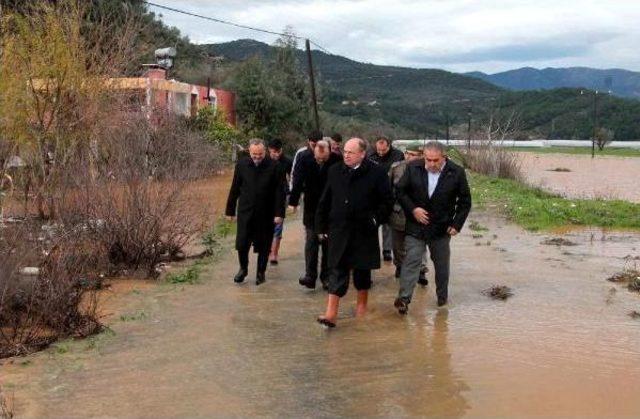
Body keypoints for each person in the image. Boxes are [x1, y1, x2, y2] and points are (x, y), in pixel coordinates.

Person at [316, 138, 393, 327]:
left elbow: (387, 202)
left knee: (362, 273)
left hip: (364, 231)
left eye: (351, 152)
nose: (346, 155)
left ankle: (361, 310)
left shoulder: (377, 172)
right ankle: (330, 314)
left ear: (362, 154)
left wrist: (375, 220)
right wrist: (320, 227)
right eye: (345, 152)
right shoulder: (334, 171)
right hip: (339, 229)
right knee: (337, 270)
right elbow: (325, 200)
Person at [394, 141, 471, 313]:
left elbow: (465, 202)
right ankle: (404, 299)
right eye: (428, 160)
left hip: (441, 228)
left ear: (444, 157)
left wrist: (456, 224)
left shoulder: (456, 172)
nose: (431, 164)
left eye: (436, 160)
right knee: (411, 261)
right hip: (416, 226)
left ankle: (442, 300)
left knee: (441, 265)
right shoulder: (413, 167)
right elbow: (400, 191)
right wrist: (413, 209)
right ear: (424, 157)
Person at [225, 139, 287, 286]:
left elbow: (280, 192)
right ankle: (243, 269)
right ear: (249, 151)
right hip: (246, 210)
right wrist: (230, 211)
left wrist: (279, 213)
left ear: (265, 152)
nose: (257, 157)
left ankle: (261, 273)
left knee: (264, 245)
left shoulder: (275, 166)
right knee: (242, 242)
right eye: (254, 154)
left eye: (260, 154)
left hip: (266, 212)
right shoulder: (241, 165)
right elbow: (235, 188)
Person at [289, 140, 341, 289]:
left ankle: (326, 277)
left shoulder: (337, 161)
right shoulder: (304, 159)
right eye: (318, 158)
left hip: (331, 207)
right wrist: (293, 202)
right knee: (311, 242)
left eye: (323, 159)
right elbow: (297, 180)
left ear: (329, 152)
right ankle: (310, 276)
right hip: (312, 206)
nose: (320, 161)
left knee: (328, 244)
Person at [388, 142, 429, 284]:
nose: (410, 157)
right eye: (408, 154)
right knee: (397, 244)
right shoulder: (396, 168)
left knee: (420, 243)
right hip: (399, 212)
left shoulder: (427, 169)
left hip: (419, 212)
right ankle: (400, 266)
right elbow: (388, 189)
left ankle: (421, 270)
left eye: (414, 155)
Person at [367, 136, 404, 262]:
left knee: (388, 222)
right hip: (374, 192)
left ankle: (387, 249)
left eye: (383, 150)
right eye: (379, 150)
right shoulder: (370, 155)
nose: (381, 152)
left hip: (390, 191)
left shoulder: (398, 155)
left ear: (389, 146)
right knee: (374, 221)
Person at [267, 139, 293, 265]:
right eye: (273, 152)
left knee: (278, 225)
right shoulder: (265, 160)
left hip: (281, 196)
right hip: (265, 196)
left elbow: (293, 177)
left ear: (281, 150)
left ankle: (274, 253)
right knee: (266, 225)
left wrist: (293, 197)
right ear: (269, 150)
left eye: (278, 152)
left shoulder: (287, 161)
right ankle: (267, 249)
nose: (275, 155)